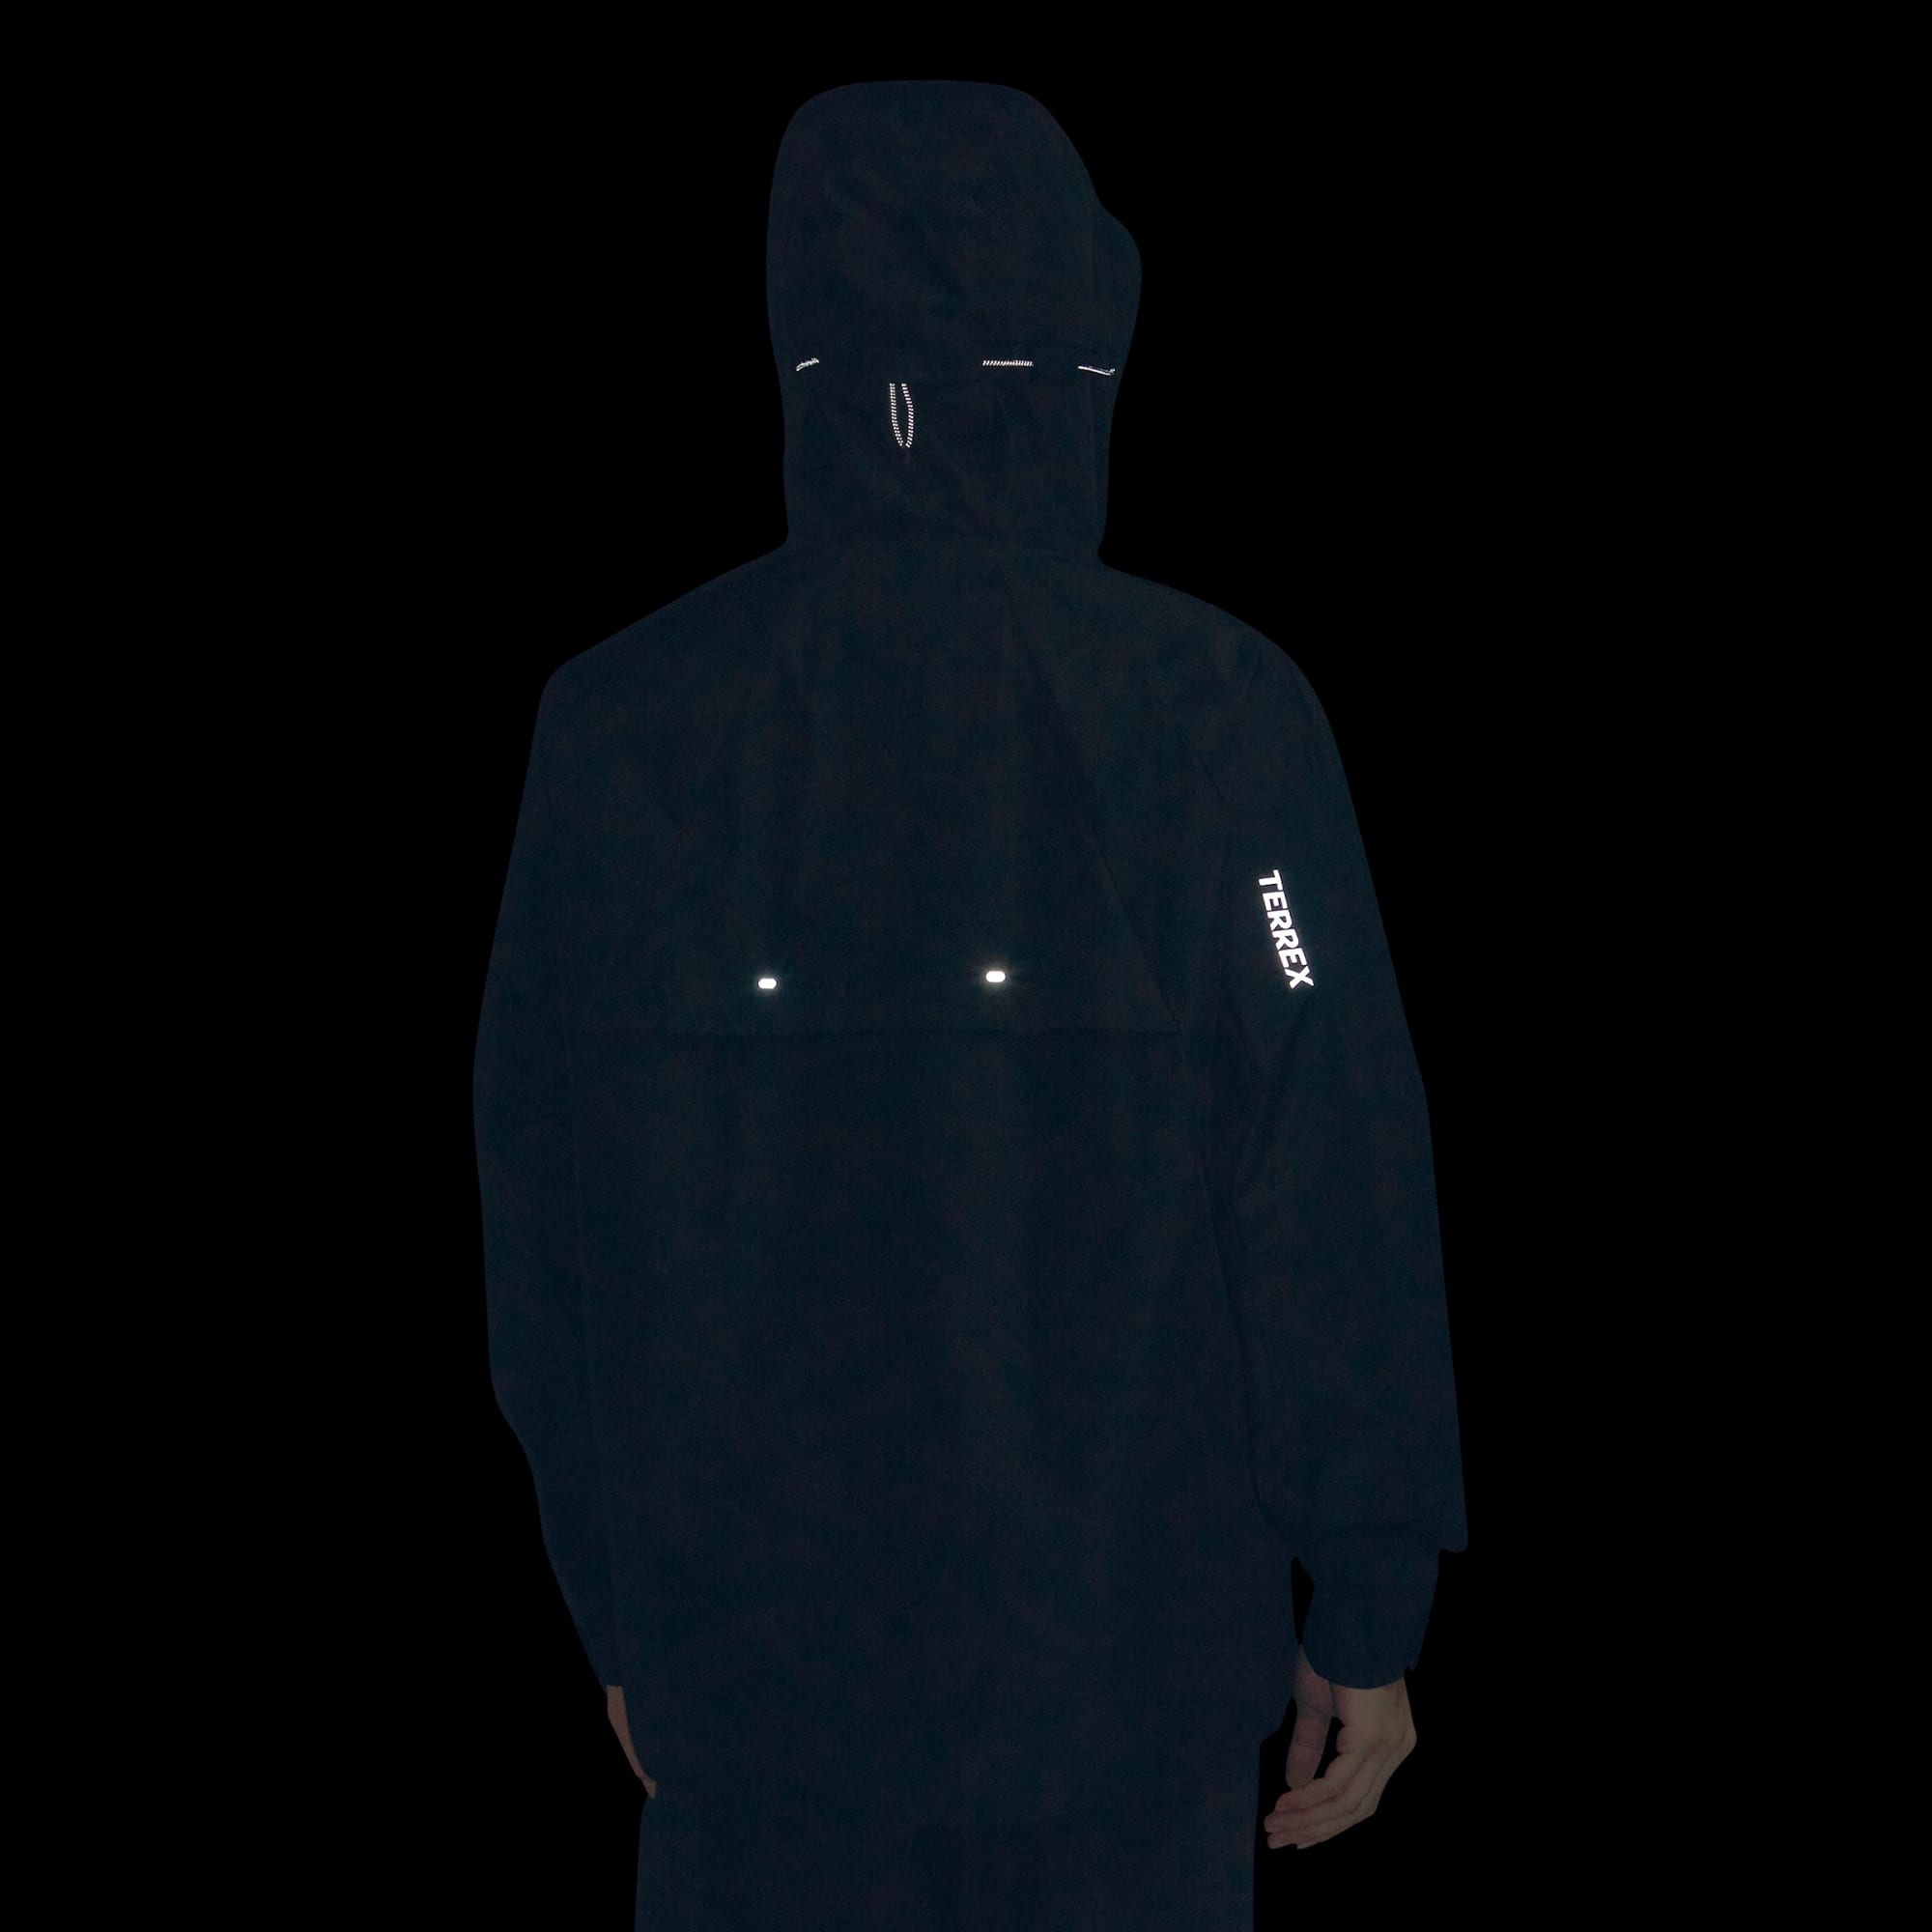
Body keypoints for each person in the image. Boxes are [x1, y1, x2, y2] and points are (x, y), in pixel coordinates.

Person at [474, 78, 1467, 1929]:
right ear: (1081, 348)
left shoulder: (623, 726)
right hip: (1128, 1710)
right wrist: (1368, 1594)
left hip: (752, 1700)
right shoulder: (1213, 712)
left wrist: (619, 1607)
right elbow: (1328, 1176)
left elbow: (541, 1235)